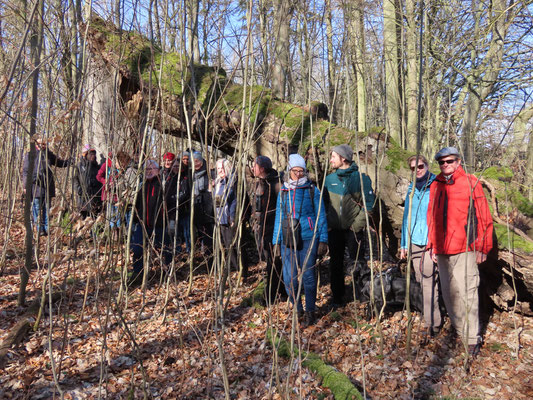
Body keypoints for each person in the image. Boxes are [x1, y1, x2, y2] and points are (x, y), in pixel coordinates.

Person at [427, 147, 493, 357]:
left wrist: (482, 246)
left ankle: (472, 338)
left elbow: (483, 217)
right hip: (442, 250)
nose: (445, 165)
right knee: (450, 294)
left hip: (465, 248)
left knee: (468, 293)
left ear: (458, 161)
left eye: (449, 161)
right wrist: (431, 246)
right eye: (442, 162)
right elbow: (431, 217)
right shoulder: (435, 185)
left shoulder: (471, 182)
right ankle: (459, 330)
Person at [272, 154, 328, 326]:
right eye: (294, 171)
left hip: (308, 237)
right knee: (289, 278)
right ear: (289, 171)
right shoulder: (283, 191)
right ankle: (297, 308)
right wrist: (276, 241)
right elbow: (278, 217)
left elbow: (321, 215)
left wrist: (323, 239)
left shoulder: (313, 190)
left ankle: (311, 311)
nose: (298, 174)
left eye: (301, 171)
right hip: (287, 240)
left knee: (309, 277)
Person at [323, 144, 375, 308]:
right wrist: (328, 223)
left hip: (354, 230)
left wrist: (356, 225)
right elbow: (323, 204)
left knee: (358, 263)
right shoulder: (329, 180)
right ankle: (337, 297)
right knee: (335, 264)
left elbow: (369, 205)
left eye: (333, 156)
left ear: (343, 158)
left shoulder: (361, 179)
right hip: (334, 231)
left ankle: (363, 295)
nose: (330, 160)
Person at [400, 155, 441, 335]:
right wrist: (404, 243)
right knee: (422, 279)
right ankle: (431, 317)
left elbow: (440, 217)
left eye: (421, 166)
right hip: (414, 242)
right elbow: (406, 218)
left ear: (427, 166)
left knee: (427, 281)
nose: (417, 170)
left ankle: (432, 322)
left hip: (430, 242)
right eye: (413, 168)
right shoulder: (411, 189)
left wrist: (436, 243)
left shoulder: (436, 186)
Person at [248, 155, 284, 303]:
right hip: (262, 229)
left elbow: (281, 209)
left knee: (274, 263)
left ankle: (272, 295)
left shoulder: (275, 184)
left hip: (273, 230)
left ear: (262, 168)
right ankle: (279, 291)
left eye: (255, 166)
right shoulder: (259, 183)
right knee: (270, 262)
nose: (252, 168)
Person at [130, 160, 171, 284]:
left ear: (158, 170)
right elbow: (136, 205)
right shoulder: (141, 186)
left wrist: (169, 220)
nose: (149, 171)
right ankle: (138, 275)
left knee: (165, 250)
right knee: (137, 249)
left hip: (160, 225)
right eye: (147, 169)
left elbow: (170, 205)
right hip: (143, 225)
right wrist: (135, 220)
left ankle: (168, 273)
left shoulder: (163, 186)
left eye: (151, 169)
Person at [22, 136, 70, 236]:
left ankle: (46, 229)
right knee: (37, 208)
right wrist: (25, 186)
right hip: (35, 187)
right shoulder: (30, 154)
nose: (43, 146)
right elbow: (26, 172)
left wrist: (69, 162)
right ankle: (40, 229)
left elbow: (59, 162)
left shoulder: (48, 154)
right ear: (36, 144)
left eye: (44, 144)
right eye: (41, 144)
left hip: (47, 187)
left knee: (47, 209)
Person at [214, 158, 243, 276]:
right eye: (218, 169)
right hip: (221, 219)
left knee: (234, 245)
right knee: (227, 246)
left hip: (229, 218)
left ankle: (241, 270)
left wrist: (232, 217)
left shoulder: (232, 182)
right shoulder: (218, 182)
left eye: (222, 168)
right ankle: (236, 269)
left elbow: (233, 201)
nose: (220, 171)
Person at [191, 151, 214, 254]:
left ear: (202, 161)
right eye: (193, 161)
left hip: (208, 208)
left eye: (197, 161)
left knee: (208, 232)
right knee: (199, 231)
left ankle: (209, 253)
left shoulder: (209, 173)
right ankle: (202, 248)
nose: (196, 164)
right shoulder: (191, 174)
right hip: (195, 207)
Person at [73, 146, 102, 218]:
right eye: (91, 154)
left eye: (94, 154)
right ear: (86, 155)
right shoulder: (79, 166)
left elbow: (100, 181)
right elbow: (75, 179)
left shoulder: (97, 167)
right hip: (83, 198)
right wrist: (79, 190)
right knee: (84, 218)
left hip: (94, 198)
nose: (93, 156)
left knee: (93, 218)